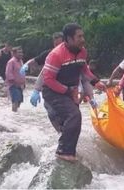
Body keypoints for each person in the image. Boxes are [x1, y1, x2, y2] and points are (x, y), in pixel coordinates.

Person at [42, 23, 106, 162]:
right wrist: (68, 91)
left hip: (70, 90)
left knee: (74, 121)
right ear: (68, 39)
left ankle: (70, 151)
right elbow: (48, 79)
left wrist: (96, 82)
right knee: (74, 115)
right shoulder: (56, 55)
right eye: (79, 37)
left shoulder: (82, 51)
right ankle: (63, 151)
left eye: (83, 36)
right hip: (53, 91)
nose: (83, 39)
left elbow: (84, 70)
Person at [19, 32, 64, 106]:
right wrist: (26, 65)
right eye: (56, 45)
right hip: (50, 88)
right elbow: (36, 61)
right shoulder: (50, 54)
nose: (57, 47)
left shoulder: (71, 54)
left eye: (59, 45)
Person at [5, 47, 25, 112]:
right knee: (15, 101)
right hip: (13, 85)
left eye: (21, 52)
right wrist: (15, 83)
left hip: (20, 85)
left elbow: (22, 73)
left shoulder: (21, 61)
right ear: (14, 53)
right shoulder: (11, 62)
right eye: (19, 52)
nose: (21, 54)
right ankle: (14, 114)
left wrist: (24, 83)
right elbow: (8, 74)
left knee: (19, 101)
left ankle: (16, 116)